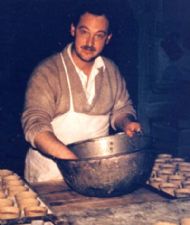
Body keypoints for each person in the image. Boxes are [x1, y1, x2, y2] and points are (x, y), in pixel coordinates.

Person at [21, 1, 141, 183]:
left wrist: (126, 122)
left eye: (99, 36)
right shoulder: (48, 71)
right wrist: (75, 163)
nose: (90, 43)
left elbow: (121, 108)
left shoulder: (111, 70)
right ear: (73, 30)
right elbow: (35, 125)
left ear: (108, 38)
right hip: (49, 177)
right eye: (84, 32)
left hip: (95, 174)